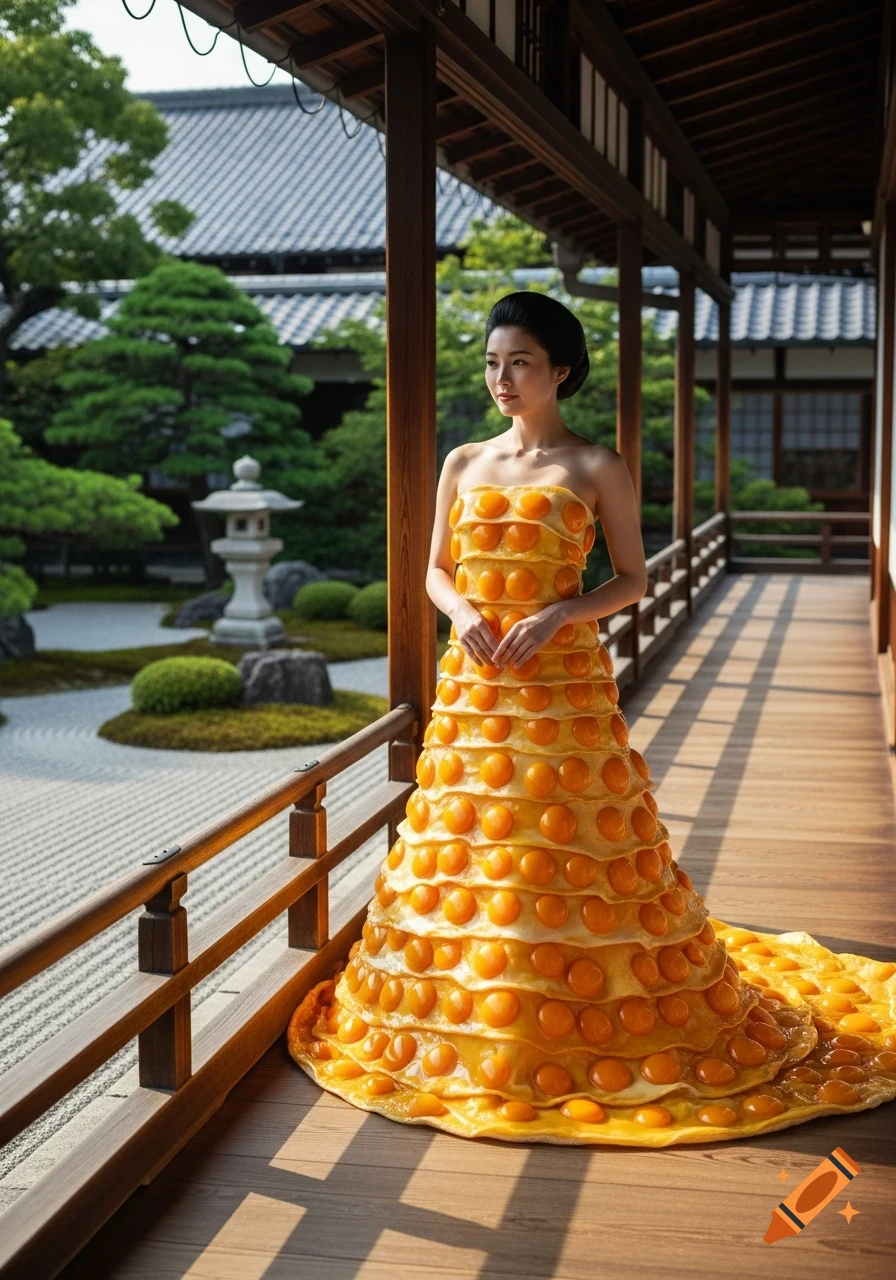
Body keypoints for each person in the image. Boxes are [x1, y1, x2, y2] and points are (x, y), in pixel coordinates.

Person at [288, 290, 896, 1145]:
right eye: (494, 362)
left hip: (562, 686)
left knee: (561, 835)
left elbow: (633, 580)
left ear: (561, 370)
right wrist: (460, 611)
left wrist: (560, 615)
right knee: (475, 842)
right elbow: (430, 568)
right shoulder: (463, 461)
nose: (503, 378)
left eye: (521, 363)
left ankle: (563, 1004)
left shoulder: (594, 466)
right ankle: (481, 998)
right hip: (478, 684)